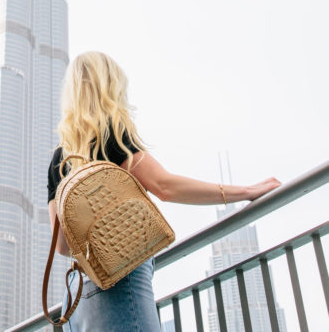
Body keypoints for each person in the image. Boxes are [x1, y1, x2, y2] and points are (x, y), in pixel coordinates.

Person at [47, 51, 281, 332]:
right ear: (111, 87)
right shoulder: (113, 135)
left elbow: (62, 246)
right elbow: (165, 186)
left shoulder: (60, 158)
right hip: (121, 281)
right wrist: (244, 191)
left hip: (78, 293)